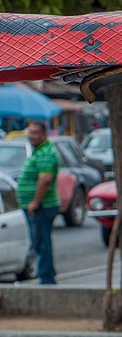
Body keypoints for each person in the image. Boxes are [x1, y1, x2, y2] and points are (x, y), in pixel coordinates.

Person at [17, 121, 59, 284]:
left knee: (41, 243)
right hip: (38, 206)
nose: (31, 136)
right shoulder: (39, 151)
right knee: (41, 241)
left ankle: (46, 279)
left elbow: (45, 179)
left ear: (44, 135)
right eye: (30, 132)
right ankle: (47, 275)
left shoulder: (45, 153)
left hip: (42, 206)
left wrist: (35, 202)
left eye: (35, 133)